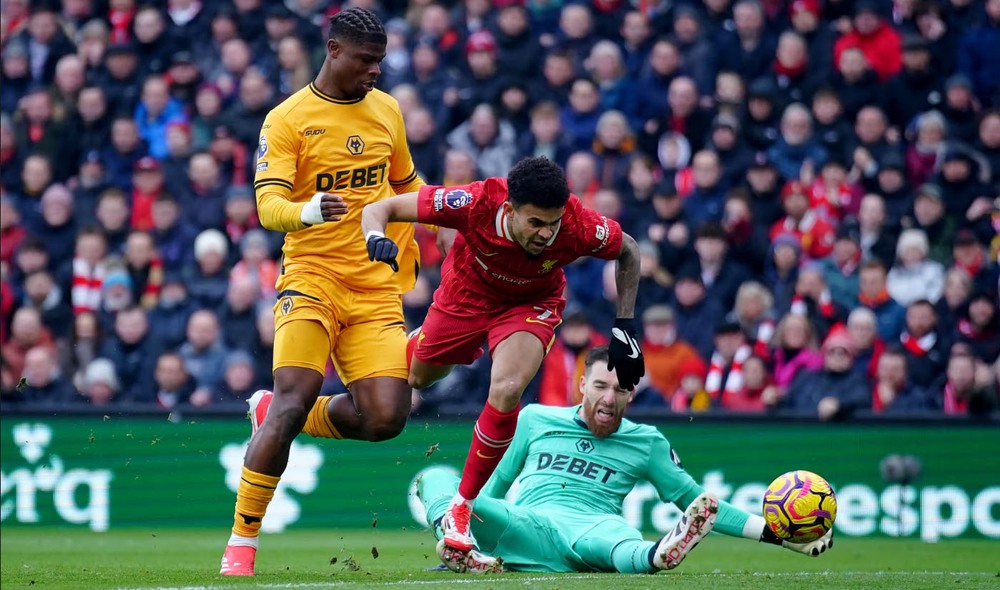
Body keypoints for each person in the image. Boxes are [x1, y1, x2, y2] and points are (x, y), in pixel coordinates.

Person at [219, 8, 447, 577]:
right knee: (294, 397)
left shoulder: (387, 110)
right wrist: (308, 210)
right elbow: (268, 207)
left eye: (380, 61)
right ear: (333, 50)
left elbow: (405, 185)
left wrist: (446, 213)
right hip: (312, 277)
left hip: (373, 286)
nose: (375, 71)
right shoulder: (287, 119)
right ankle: (242, 542)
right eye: (366, 61)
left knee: (386, 419)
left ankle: (274, 413)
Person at [360, 156, 645, 560]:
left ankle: (462, 507)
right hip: (466, 297)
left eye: (553, 223)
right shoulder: (474, 202)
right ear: (509, 210)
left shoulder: (579, 226)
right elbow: (381, 208)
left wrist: (625, 326)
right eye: (535, 223)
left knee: (508, 387)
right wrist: (374, 236)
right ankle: (430, 341)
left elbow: (629, 250)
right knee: (419, 379)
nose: (547, 234)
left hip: (531, 303)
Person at [416, 346, 834, 574]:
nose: (608, 397)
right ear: (582, 385)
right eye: (600, 386)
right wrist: (475, 523)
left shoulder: (646, 442)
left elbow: (696, 503)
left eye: (619, 390)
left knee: (620, 544)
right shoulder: (535, 418)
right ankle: (462, 545)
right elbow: (494, 484)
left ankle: (658, 556)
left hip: (595, 525)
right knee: (437, 478)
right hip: (528, 524)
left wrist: (781, 536)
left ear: (631, 394)